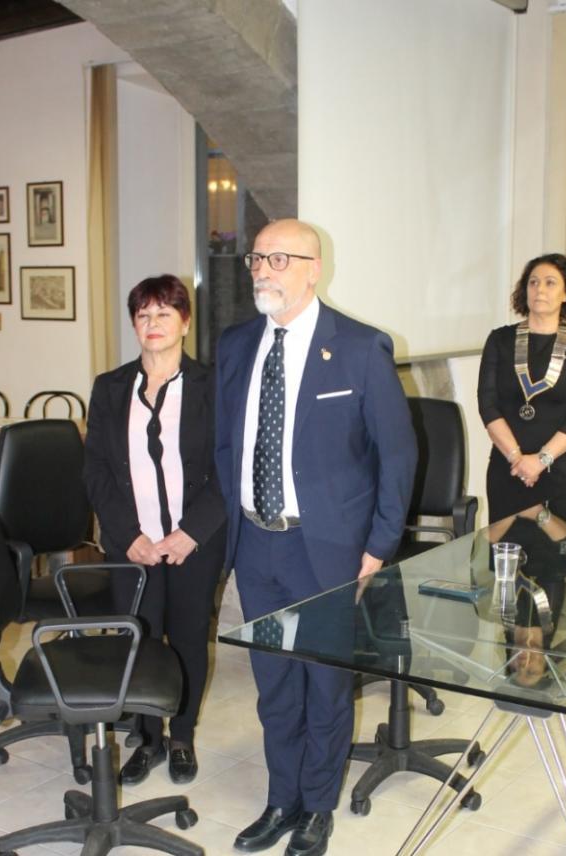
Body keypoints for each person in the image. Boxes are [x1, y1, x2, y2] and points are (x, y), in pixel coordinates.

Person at [215, 218, 416, 856]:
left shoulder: (358, 347)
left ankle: (318, 806)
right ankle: (282, 799)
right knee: (274, 684)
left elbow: (397, 456)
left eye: (279, 259)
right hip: (256, 545)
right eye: (257, 258)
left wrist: (377, 547)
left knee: (326, 685)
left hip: (327, 548)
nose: (262, 270)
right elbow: (225, 444)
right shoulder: (236, 345)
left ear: (313, 268)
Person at [83, 274, 226, 786]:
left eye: (164, 313)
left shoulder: (213, 386)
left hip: (194, 544)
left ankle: (181, 735)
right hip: (134, 545)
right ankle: (148, 739)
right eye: (143, 315)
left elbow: (229, 467)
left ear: (184, 322)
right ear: (134, 325)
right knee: (139, 640)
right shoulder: (110, 387)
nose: (153, 323)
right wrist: (127, 536)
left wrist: (192, 532)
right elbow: (96, 470)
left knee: (187, 638)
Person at [477, 253, 566, 528]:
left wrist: (540, 461)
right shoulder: (499, 340)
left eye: (549, 282)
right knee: (506, 551)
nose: (539, 289)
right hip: (508, 468)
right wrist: (517, 459)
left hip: (561, 470)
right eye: (533, 282)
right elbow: (487, 404)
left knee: (555, 553)